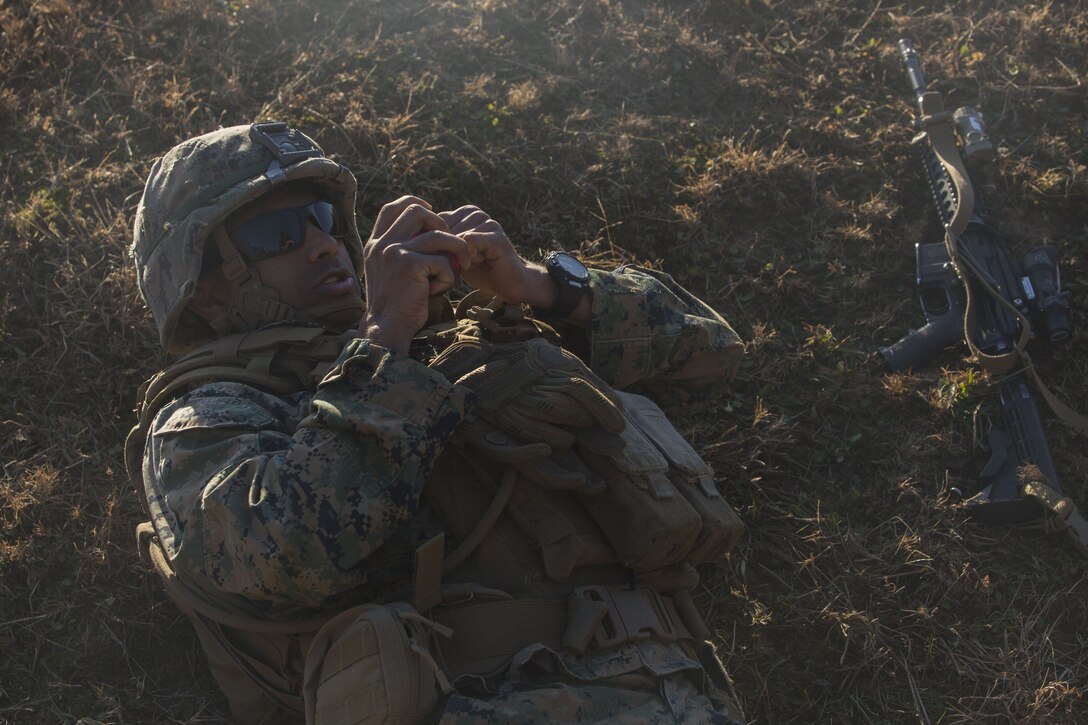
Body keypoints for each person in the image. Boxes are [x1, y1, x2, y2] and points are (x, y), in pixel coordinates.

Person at [127, 122, 747, 724]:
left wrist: (538, 287)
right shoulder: (208, 418)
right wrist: (383, 341)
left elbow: (713, 351)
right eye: (277, 234)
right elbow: (284, 557)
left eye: (321, 220)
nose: (323, 244)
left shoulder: (460, 330)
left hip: (682, 695)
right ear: (202, 291)